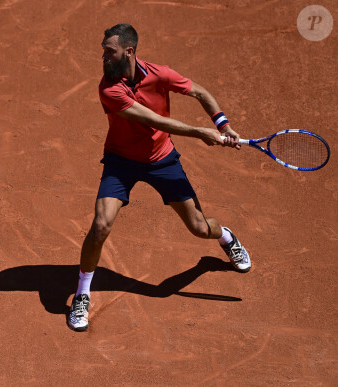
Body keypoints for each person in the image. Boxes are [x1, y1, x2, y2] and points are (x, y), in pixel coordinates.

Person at [67, 23, 251, 332]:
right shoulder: (109, 88)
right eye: (103, 52)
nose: (103, 58)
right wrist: (201, 132)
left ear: (129, 51)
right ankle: (82, 294)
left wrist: (223, 124)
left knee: (199, 227)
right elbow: (153, 120)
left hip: (162, 160)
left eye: (108, 52)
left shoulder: (160, 74)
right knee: (100, 226)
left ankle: (226, 237)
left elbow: (200, 92)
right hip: (121, 161)